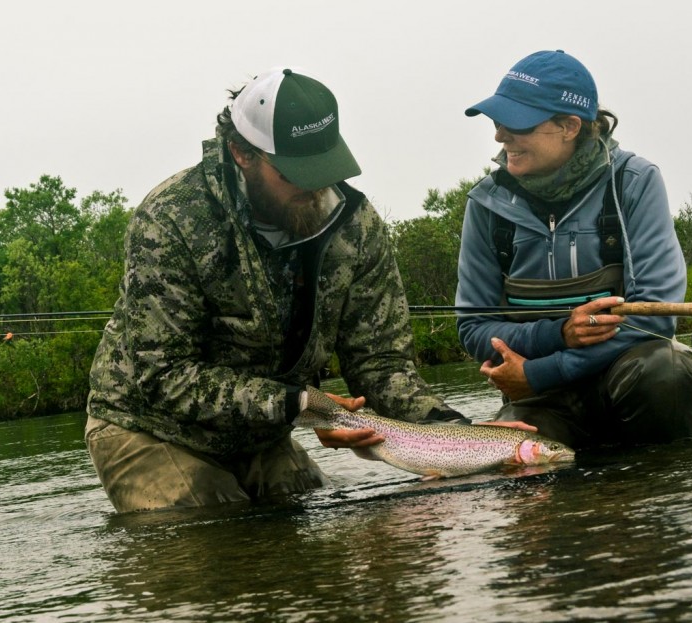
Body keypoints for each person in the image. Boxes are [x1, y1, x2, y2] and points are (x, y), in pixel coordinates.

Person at [85, 67, 515, 514]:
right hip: (148, 425)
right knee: (212, 536)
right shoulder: (171, 219)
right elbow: (164, 376)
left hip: (267, 430)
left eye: (324, 169)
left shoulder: (357, 224)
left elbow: (381, 363)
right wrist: (299, 403)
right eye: (296, 173)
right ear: (241, 153)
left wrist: (460, 434)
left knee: (311, 532)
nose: (315, 188)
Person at [455, 50, 692, 449]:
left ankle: (662, 487)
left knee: (668, 370)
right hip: (539, 401)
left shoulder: (635, 181)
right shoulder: (486, 204)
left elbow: (655, 318)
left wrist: (545, 370)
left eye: (516, 123)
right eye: (497, 121)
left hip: (620, 380)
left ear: (570, 126)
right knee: (512, 455)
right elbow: (473, 328)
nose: (500, 135)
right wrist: (558, 334)